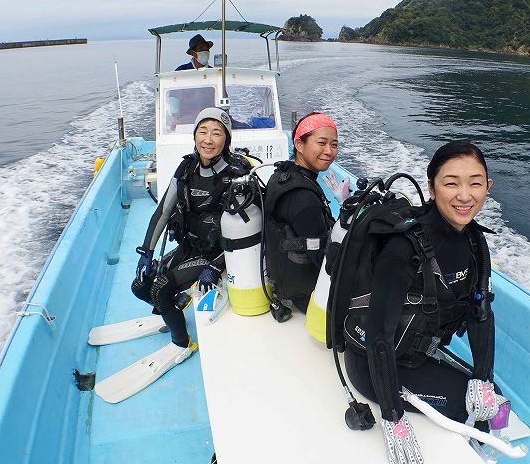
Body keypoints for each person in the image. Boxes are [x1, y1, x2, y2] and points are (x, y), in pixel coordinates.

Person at [343, 141, 502, 439]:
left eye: (475, 183)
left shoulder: (473, 241)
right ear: (431, 188)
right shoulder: (404, 248)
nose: (465, 196)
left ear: (488, 186)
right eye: (451, 183)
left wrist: (483, 377)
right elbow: (379, 337)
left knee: (491, 399)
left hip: (417, 352)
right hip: (371, 365)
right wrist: (393, 417)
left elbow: (480, 312)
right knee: (474, 414)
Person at [129, 107, 251, 392]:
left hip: (213, 256)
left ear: (227, 139)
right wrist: (147, 252)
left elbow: (244, 234)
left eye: (217, 133)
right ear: (195, 135)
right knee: (140, 286)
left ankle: (182, 343)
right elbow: (163, 212)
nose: (208, 139)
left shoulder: (236, 176)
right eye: (202, 131)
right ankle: (174, 307)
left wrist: (215, 266)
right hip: (189, 246)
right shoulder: (186, 169)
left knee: (160, 288)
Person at [263, 112, 341, 316]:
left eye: (334, 145)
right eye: (321, 143)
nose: (329, 151)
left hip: (286, 278)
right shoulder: (303, 199)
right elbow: (326, 261)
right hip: (309, 293)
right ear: (299, 144)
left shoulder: (282, 176)